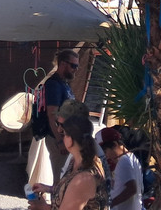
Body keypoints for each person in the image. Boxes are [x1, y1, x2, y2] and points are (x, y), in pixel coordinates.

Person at [30, 115, 109, 210]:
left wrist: (43, 207)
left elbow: (76, 192)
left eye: (63, 134)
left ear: (70, 140)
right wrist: (49, 189)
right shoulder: (76, 160)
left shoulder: (84, 178)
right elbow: (69, 189)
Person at [38, 50, 79, 181]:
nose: (75, 69)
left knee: (66, 178)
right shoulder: (54, 84)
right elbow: (52, 114)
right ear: (62, 64)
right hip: (59, 139)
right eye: (73, 66)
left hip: (66, 138)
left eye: (77, 66)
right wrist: (60, 141)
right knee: (61, 179)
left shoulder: (63, 83)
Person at [99, 127, 142, 210]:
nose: (106, 156)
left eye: (105, 151)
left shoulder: (123, 161)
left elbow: (132, 189)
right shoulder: (132, 158)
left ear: (115, 144)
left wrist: (110, 204)